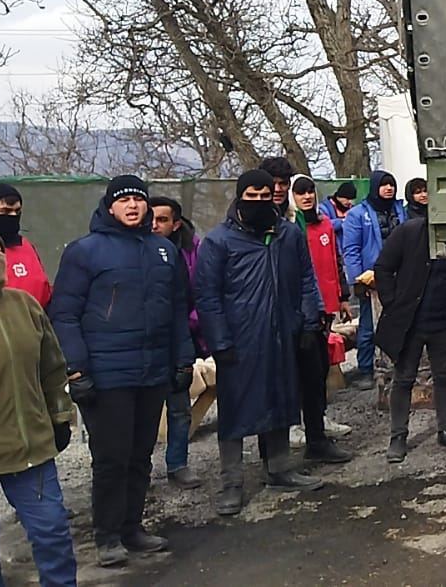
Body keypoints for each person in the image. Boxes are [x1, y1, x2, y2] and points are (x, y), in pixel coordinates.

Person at [50, 175, 194, 567]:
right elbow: (64, 314)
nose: (132, 206)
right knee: (111, 458)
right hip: (106, 374)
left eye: (138, 199)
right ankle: (108, 536)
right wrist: (76, 369)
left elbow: (177, 310)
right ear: (109, 206)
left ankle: (132, 528)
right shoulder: (85, 251)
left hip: (152, 371)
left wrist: (183, 359)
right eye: (124, 200)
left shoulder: (163, 251)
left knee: (140, 455)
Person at [0, 226, 78, 587]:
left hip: (30, 449)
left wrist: (59, 416)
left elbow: (52, 367)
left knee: (53, 534)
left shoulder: (23, 304)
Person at [195, 170, 326, 516]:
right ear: (239, 197)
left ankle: (279, 469)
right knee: (235, 411)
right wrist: (220, 341)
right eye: (250, 196)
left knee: (281, 399)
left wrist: (308, 321)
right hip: (240, 339)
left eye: (264, 196)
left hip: (283, 333)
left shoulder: (288, 235)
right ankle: (232, 483)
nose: (258, 202)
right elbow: (207, 297)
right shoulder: (219, 241)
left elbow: (306, 278)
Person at [373, 200, 446, 462]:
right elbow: (383, 268)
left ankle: (445, 430)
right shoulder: (409, 232)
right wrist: (393, 304)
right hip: (411, 322)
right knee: (403, 379)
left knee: (444, 376)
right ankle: (398, 437)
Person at [289, 176, 355, 464]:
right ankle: (294, 424)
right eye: (299, 192)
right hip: (302, 309)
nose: (306, 196)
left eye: (309, 191)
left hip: (325, 305)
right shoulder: (290, 228)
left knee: (321, 366)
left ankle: (318, 417)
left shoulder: (324, 224)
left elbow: (336, 261)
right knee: (299, 369)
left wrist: (342, 296)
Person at [150, 196, 206, 490]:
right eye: (151, 218)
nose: (154, 225)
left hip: (182, 337)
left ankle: (178, 464)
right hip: (146, 343)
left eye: (162, 219)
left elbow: (202, 292)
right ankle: (140, 469)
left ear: (176, 223)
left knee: (179, 407)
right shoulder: (136, 250)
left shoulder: (192, 251)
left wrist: (191, 324)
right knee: (144, 413)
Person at [341, 171, 406, 390]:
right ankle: (366, 368)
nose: (389, 188)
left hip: (400, 275)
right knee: (369, 326)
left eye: (392, 184)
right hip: (371, 278)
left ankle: (397, 365)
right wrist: (357, 280)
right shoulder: (358, 214)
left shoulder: (400, 210)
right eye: (384, 185)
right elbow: (351, 250)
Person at [0, 181, 53, 307]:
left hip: (32, 316)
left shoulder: (25, 245)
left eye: (17, 211)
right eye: (5, 211)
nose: (12, 216)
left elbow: (42, 287)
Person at [260, 155, 296, 222]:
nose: (277, 189)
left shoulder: (297, 216)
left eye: (283, 183)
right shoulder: (252, 218)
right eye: (272, 184)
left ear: (289, 184)